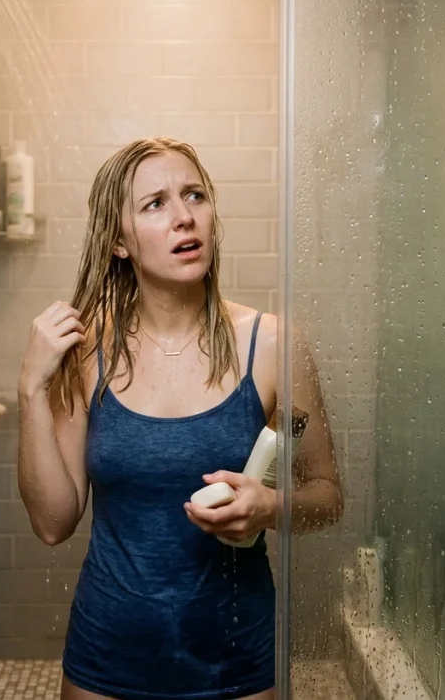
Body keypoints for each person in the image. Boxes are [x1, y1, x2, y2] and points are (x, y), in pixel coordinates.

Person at [17, 137, 342, 700]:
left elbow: (327, 496)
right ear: (119, 242)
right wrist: (30, 389)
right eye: (155, 204)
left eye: (195, 195)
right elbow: (52, 524)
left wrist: (270, 506)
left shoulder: (274, 346)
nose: (184, 217)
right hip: (107, 660)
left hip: (237, 663)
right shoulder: (86, 352)